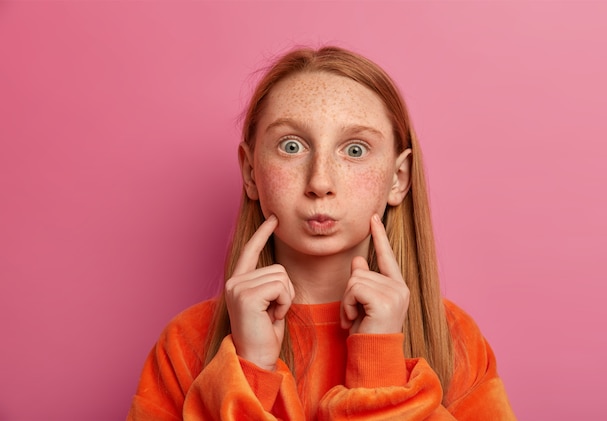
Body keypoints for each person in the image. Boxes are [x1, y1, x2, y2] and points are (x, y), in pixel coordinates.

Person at [127, 46, 517, 420]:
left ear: (398, 178)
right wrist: (249, 372)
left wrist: (379, 363)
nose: (320, 181)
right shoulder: (184, 344)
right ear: (250, 172)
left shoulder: (456, 341)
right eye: (292, 146)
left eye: (355, 150)